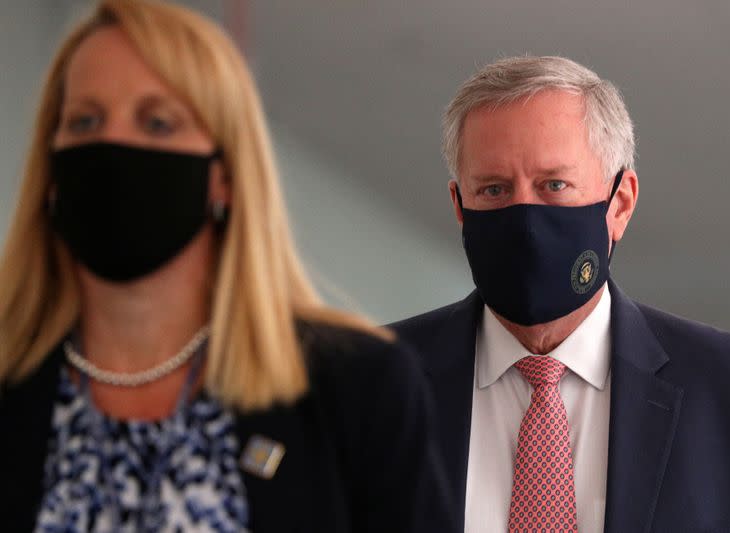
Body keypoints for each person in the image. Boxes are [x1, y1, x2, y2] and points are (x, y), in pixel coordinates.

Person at [0, 1, 455, 531]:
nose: (113, 144)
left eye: (157, 122)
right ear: (50, 168)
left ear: (226, 176)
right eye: (85, 121)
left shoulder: (359, 389)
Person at [391, 55, 730, 532]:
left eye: (555, 185)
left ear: (620, 203)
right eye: (495, 190)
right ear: (460, 206)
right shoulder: (355, 387)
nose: (525, 223)